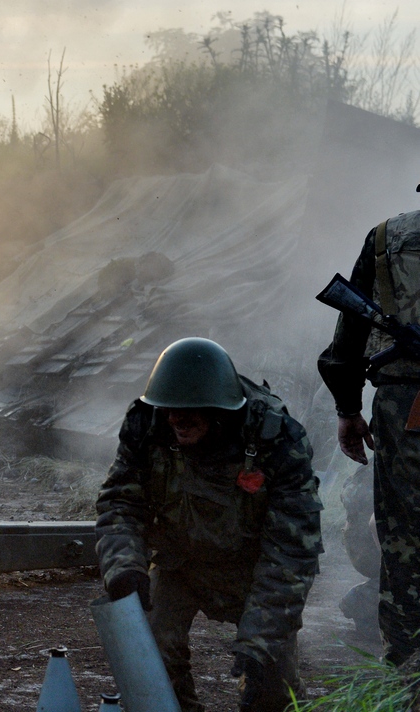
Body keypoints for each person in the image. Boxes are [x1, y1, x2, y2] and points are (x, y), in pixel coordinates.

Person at [96, 337, 323, 712]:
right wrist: (124, 568)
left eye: (189, 412)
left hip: (254, 572)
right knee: (145, 654)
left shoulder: (276, 438)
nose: (175, 421)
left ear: (220, 410)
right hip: (178, 565)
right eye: (169, 410)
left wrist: (259, 642)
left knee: (271, 687)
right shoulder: (147, 422)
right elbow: (120, 501)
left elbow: (292, 549)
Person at [319, 211, 420, 665]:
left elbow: (349, 337)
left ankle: (407, 670)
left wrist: (348, 407)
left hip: (402, 404)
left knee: (405, 543)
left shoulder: (386, 237)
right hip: (404, 403)